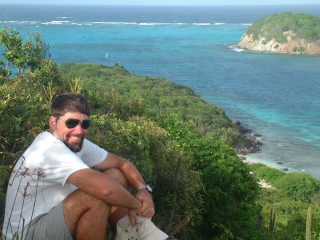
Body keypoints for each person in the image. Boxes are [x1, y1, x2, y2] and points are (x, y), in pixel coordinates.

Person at [2, 93, 168, 240]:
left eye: (85, 124)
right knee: (95, 196)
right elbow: (104, 190)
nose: (79, 130)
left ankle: (127, 232)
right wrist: (137, 205)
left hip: (52, 218)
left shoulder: (73, 141)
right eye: (71, 123)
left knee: (115, 174)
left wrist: (142, 189)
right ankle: (135, 226)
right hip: (26, 233)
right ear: (53, 122)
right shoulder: (50, 150)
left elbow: (121, 163)